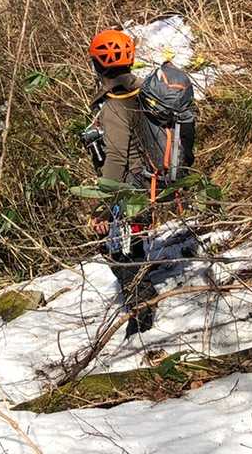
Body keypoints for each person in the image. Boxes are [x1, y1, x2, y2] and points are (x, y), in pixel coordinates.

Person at [82, 27, 161, 336]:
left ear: (98, 64)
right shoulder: (145, 90)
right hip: (152, 177)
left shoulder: (115, 105)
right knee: (130, 245)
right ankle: (142, 305)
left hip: (131, 185)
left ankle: (143, 314)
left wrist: (102, 206)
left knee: (119, 252)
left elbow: (115, 159)